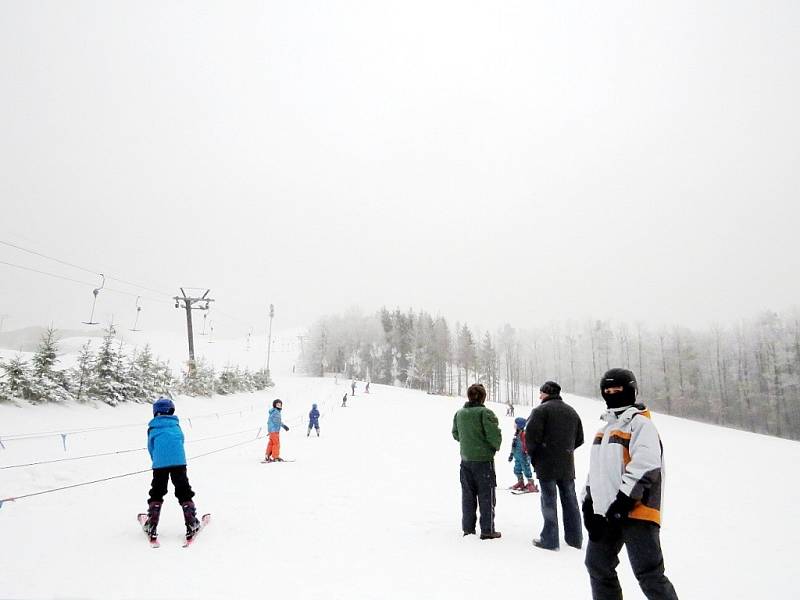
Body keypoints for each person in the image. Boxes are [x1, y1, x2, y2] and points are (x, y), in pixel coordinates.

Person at [583, 369, 679, 600]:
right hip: (606, 513)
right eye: (607, 390)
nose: (612, 394)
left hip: (637, 511)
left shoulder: (641, 425)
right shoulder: (604, 430)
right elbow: (595, 473)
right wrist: (589, 505)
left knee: (648, 574)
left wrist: (623, 502)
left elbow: (646, 466)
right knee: (597, 565)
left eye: (618, 390)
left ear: (632, 391)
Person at [526, 380, 584, 550]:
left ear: (546, 393)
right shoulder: (571, 412)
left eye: (541, 393)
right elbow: (579, 438)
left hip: (546, 464)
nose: (539, 396)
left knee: (549, 501)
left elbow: (531, 438)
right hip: (566, 463)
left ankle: (550, 540)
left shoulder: (540, 411)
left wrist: (536, 455)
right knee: (570, 501)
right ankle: (575, 539)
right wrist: (566, 450)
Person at [142, 397, 201, 540]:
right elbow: (181, 440)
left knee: (157, 490)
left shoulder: (153, 428)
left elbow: (151, 447)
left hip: (159, 464)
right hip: (179, 462)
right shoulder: (176, 425)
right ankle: (191, 521)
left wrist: (156, 460)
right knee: (183, 489)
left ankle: (152, 523)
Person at [452, 383, 502, 540]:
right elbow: (494, 437)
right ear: (482, 397)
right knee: (487, 496)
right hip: (483, 461)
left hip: (465, 461)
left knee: (468, 496)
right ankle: (487, 530)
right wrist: (491, 447)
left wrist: (469, 442)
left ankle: (468, 529)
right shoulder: (485, 413)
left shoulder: (459, 414)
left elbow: (455, 434)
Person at [508, 417, 538, 493]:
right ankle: (520, 482)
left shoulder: (524, 434)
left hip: (523, 456)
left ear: (519, 425)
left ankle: (531, 483)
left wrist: (527, 454)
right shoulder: (516, 434)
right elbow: (513, 445)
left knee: (526, 469)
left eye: (516, 424)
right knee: (517, 469)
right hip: (517, 456)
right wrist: (511, 454)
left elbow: (526, 445)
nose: (514, 426)